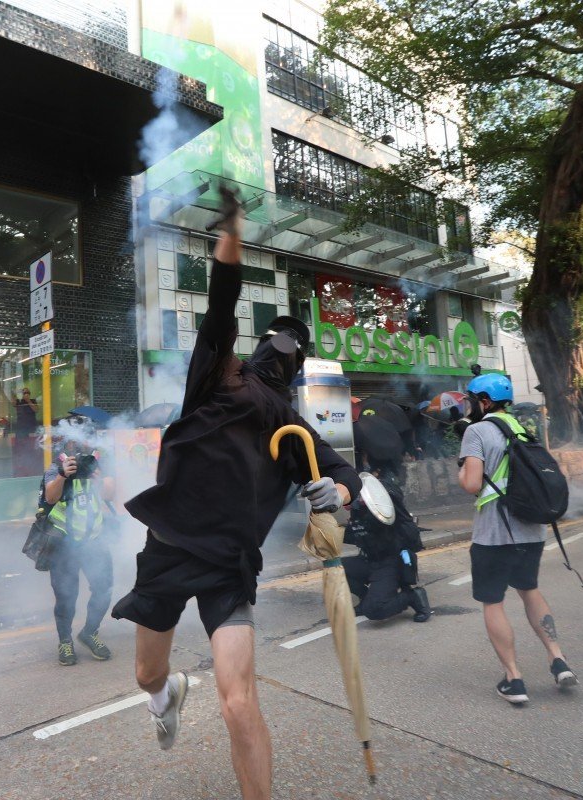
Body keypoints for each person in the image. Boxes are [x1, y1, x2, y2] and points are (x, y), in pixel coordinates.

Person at [111, 188, 361, 800]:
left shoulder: (294, 427)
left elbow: (345, 476)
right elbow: (221, 304)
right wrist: (231, 233)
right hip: (169, 551)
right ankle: (166, 696)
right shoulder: (218, 378)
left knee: (238, 701)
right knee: (147, 674)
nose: (283, 348)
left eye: (292, 344)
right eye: (278, 338)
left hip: (231, 566)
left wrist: (338, 494)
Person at [457, 373, 578, 705]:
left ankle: (514, 679)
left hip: (494, 535)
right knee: (529, 590)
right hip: (532, 530)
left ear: (484, 401)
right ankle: (558, 658)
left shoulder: (476, 431)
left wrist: (460, 467)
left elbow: (471, 484)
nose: (468, 406)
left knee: (493, 602)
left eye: (472, 400)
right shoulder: (524, 429)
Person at [42, 436, 116, 665]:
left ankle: (89, 632)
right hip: (64, 543)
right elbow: (50, 497)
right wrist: (64, 475)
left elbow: (109, 495)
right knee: (66, 595)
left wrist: (99, 478)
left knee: (103, 589)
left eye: (82, 443)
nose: (79, 449)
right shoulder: (56, 467)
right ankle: (65, 641)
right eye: (74, 445)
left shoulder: (97, 464)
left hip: (94, 541)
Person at [343, 459, 431, 623]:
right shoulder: (357, 510)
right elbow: (355, 534)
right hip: (370, 560)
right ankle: (366, 599)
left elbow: (392, 502)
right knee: (336, 570)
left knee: (374, 611)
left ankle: (411, 597)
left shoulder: (380, 503)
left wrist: (372, 495)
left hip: (391, 563)